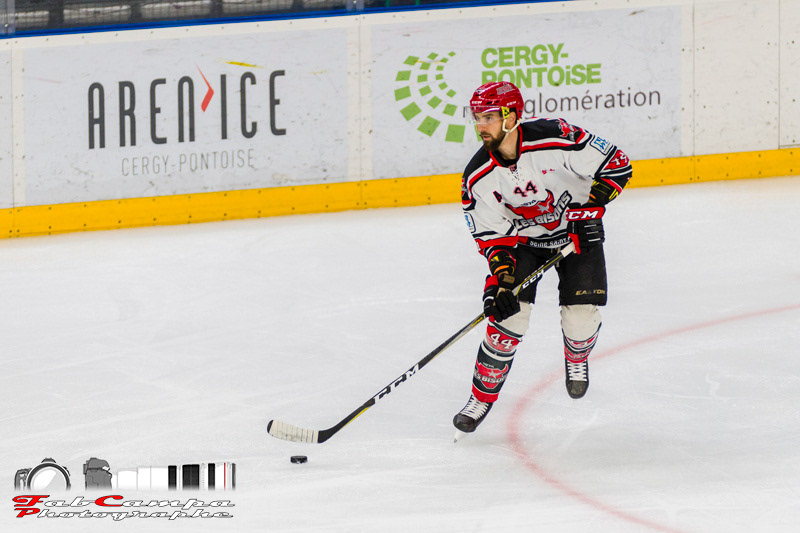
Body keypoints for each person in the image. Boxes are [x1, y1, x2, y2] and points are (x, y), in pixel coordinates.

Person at [453, 81, 632, 435]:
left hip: (577, 234)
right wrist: (501, 282)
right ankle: (480, 398)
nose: (480, 125)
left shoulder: (557, 138)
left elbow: (617, 165)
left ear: (511, 117)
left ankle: (576, 357)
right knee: (507, 322)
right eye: (477, 117)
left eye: (488, 117)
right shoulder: (477, 177)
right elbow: (493, 239)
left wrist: (589, 210)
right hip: (524, 243)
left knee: (580, 320)